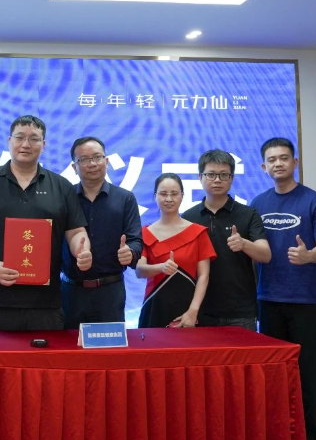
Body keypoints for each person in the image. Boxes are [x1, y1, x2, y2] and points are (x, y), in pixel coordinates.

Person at [251, 137, 316, 440]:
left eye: (284, 158)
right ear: (264, 167)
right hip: (267, 299)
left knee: (308, 373)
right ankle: (277, 438)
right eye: (272, 159)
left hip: (307, 301)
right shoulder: (258, 203)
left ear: (295, 162)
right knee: (272, 375)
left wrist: (309, 256)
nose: (278, 163)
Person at [0, 115, 91, 330]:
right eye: (20, 137)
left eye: (34, 139)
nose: (26, 144)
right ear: (9, 141)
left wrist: (82, 251)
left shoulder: (61, 185)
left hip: (46, 303)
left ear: (43, 144)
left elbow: (76, 231)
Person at [181, 150, 271, 331]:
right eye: (211, 174)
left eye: (224, 175)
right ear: (200, 177)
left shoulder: (248, 214)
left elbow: (265, 255)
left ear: (232, 178)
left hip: (240, 311)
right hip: (200, 310)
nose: (217, 180)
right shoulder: (188, 217)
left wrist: (244, 244)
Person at [61, 136, 143, 328]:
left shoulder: (125, 198)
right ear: (74, 167)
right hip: (71, 291)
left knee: (110, 345)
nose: (92, 164)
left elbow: (136, 240)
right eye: (84, 159)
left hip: (110, 291)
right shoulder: (65, 198)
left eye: (97, 157)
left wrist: (130, 252)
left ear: (106, 161)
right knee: (68, 345)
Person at [136, 173, 215, 328]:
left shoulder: (198, 232)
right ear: (155, 196)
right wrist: (160, 268)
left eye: (174, 194)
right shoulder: (144, 233)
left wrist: (193, 311)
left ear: (182, 196)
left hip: (188, 309)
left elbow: (203, 276)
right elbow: (139, 271)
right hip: (154, 306)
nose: (169, 199)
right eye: (163, 194)